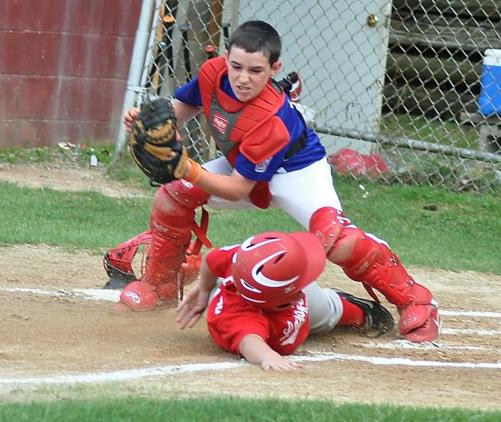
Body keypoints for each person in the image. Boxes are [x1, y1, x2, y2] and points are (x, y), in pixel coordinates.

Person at [107, 20, 440, 343]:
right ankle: (160, 284)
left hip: (295, 172)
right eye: (236, 66)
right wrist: (148, 125)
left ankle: (416, 300)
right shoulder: (213, 74)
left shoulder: (273, 117)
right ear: (226, 58)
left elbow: (239, 189)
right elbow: (182, 107)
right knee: (173, 196)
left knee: (340, 241)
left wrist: (187, 168)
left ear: (274, 68)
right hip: (244, 163)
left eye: (255, 71)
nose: (242, 78)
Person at [176, 231, 394, 370]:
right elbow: (249, 341)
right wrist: (267, 356)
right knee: (313, 305)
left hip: (267, 294)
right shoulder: (240, 320)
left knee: (327, 310)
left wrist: (204, 288)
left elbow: (213, 258)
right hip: (265, 312)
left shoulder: (243, 260)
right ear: (283, 299)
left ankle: (357, 311)